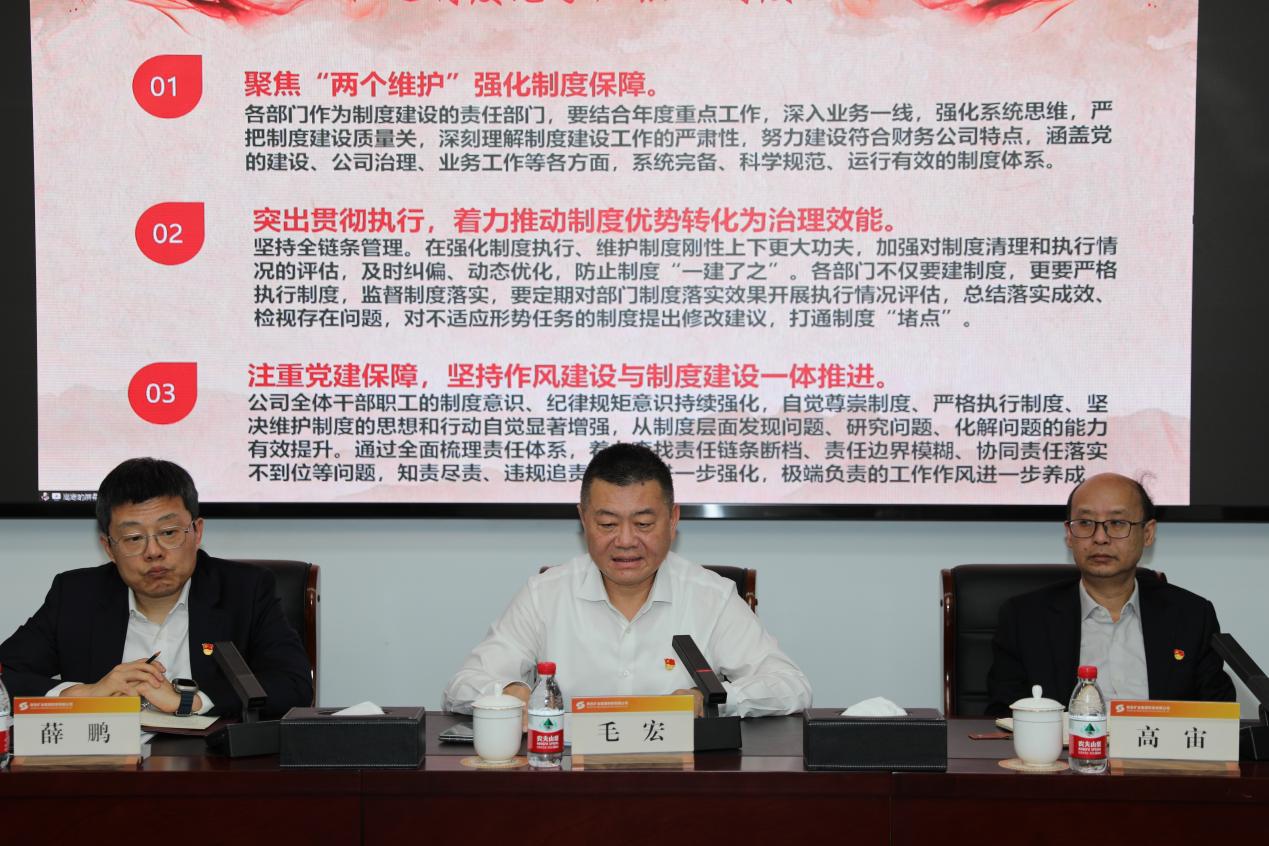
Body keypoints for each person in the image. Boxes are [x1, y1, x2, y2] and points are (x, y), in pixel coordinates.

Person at [443, 443, 812, 718]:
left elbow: (790, 686)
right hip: (571, 780)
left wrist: (711, 700)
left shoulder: (711, 596)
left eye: (643, 523)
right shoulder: (545, 594)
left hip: (681, 783)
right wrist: (510, 693)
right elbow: (462, 685)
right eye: (607, 523)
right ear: (583, 519)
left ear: (673, 519)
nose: (624, 540)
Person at [0, 458, 312, 719]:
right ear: (109, 548)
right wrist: (86, 694)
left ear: (196, 532)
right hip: (105, 765)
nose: (153, 552)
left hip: (211, 765)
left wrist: (189, 701)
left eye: (168, 532)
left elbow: (293, 684)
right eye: (134, 538)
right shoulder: (77, 595)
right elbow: (6, 673)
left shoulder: (246, 590)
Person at [985, 472, 1235, 716]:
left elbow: (1218, 716)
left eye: (1117, 523)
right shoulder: (1025, 619)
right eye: (1085, 523)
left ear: (1148, 533)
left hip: (1159, 746)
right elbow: (1004, 715)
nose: (1100, 538)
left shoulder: (1192, 616)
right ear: (1069, 534)